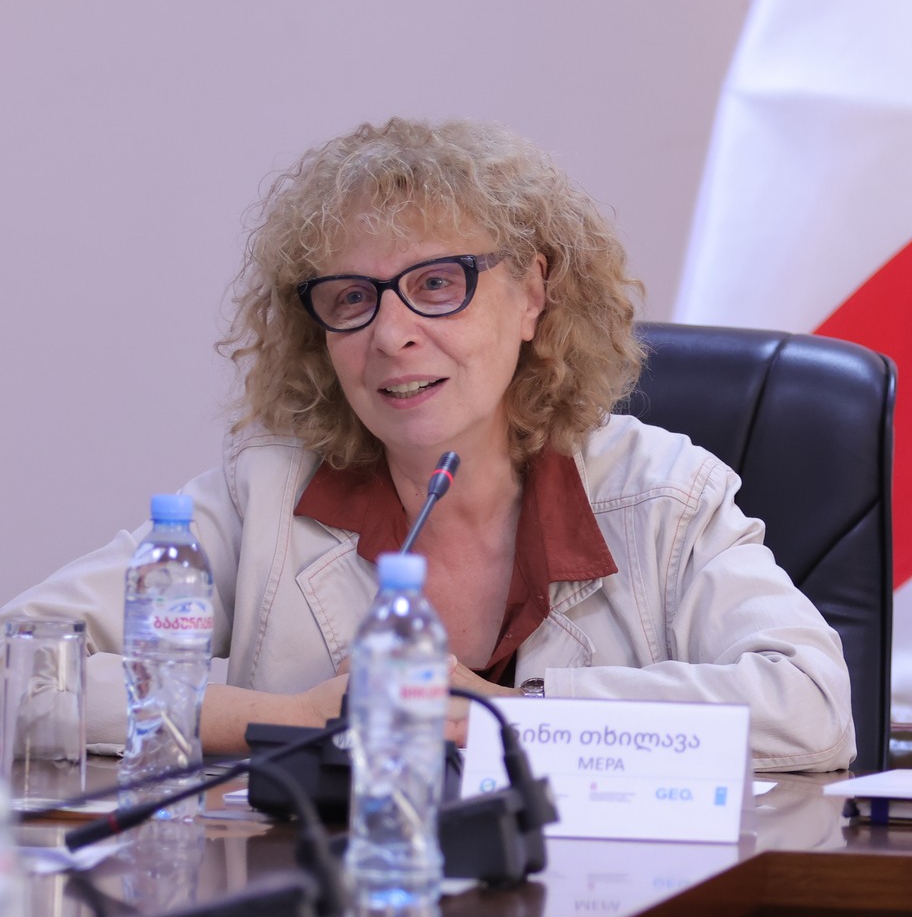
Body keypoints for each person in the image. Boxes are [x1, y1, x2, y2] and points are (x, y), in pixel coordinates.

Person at [2, 119, 856, 771]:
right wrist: (289, 718)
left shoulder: (663, 494)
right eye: (352, 297)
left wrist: (502, 712)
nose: (391, 334)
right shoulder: (262, 497)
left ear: (532, 294)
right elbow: (18, 666)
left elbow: (813, 704)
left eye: (437, 284)